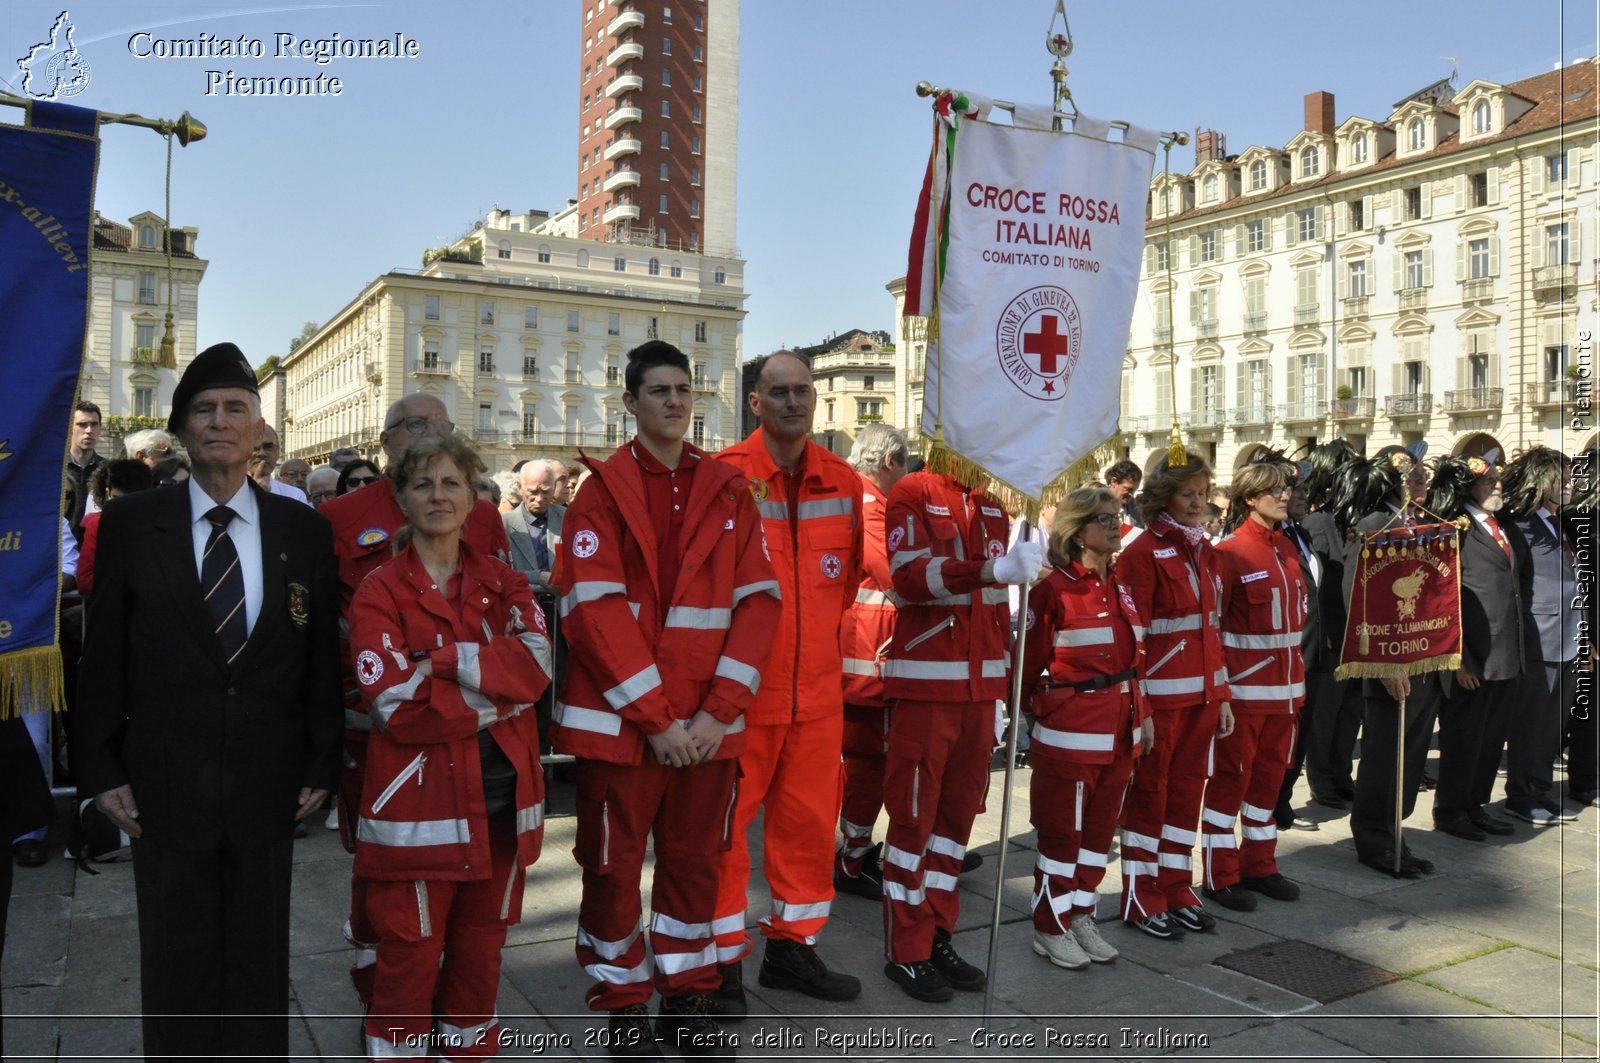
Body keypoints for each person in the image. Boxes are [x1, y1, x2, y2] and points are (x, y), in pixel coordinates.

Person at [75, 342, 341, 1059]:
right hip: (163, 783)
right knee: (175, 963)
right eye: (204, 410)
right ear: (184, 428)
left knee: (260, 963)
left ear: (259, 428)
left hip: (269, 782)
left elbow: (320, 660)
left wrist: (324, 758)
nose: (220, 421)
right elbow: (104, 656)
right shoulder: (135, 526)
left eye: (236, 408)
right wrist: (98, 768)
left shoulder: (304, 531)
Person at [553, 341, 779, 1056]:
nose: (675, 401)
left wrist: (715, 713)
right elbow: (595, 611)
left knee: (696, 865)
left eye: (684, 389)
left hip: (707, 731)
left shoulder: (728, 489)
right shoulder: (600, 492)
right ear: (630, 403)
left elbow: (759, 605)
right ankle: (623, 1005)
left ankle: (686, 998)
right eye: (658, 390)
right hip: (627, 732)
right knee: (613, 870)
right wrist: (658, 720)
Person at [348, 432, 552, 1060]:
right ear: (401, 500)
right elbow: (397, 708)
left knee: (480, 952)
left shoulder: (505, 581)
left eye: (451, 483)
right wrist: (499, 686)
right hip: (417, 813)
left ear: (473, 499)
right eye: (422, 484)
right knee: (408, 957)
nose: (438, 495)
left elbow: (539, 666)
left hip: (501, 806)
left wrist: (439, 661)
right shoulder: (378, 590)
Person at [318, 395, 513, 1011]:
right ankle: (383, 992)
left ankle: (452, 1000)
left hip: (473, 743)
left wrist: (449, 675)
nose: (430, 435)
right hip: (373, 727)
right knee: (384, 873)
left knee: (468, 874)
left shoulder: (482, 518)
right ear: (386, 439)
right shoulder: (341, 515)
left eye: (441, 426)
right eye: (416, 426)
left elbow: (516, 644)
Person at [710, 352, 865, 1013]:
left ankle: (792, 946)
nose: (794, 402)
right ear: (755, 403)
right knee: (722, 832)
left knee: (807, 828)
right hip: (743, 695)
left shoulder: (843, 480)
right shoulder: (724, 478)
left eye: (803, 390)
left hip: (818, 696)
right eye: (779, 392)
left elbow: (849, 578)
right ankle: (717, 963)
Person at [878, 464, 1041, 1001]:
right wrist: (993, 570)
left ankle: (937, 931)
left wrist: (1007, 683)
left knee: (953, 828)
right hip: (928, 691)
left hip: (979, 693)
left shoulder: (992, 504)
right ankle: (906, 949)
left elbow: (995, 612)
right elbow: (908, 577)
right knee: (913, 825)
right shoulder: (912, 492)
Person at [1019, 488, 1152, 970]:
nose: (1117, 525)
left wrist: (1146, 715)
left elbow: (1135, 662)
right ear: (1077, 531)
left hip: (1120, 733)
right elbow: (1028, 667)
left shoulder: (1119, 585)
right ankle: (1049, 926)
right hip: (1071, 738)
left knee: (1098, 837)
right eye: (1104, 518)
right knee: (1062, 838)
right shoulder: (1052, 590)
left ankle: (1080, 916)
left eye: (1118, 516)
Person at [1115, 453, 1230, 940]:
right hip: (1160, 702)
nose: (1197, 503)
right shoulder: (1142, 553)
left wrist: (1222, 694)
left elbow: (1211, 628)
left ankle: (1177, 887)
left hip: (1202, 699)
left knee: (1186, 797)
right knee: (1150, 797)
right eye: (1188, 494)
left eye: (1203, 494)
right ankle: (1142, 896)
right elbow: (1132, 637)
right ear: (1164, 496)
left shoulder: (1205, 550)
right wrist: (1138, 706)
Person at [1200, 460, 1307, 912]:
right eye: (1273, 490)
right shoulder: (1228, 554)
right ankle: (1219, 876)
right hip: (1243, 697)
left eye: (1285, 489)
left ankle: (1259, 865)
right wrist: (1221, 693)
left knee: (1268, 785)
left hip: (1286, 698)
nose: (1285, 496)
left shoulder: (1286, 549)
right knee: (1229, 784)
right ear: (1249, 498)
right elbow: (1213, 629)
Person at [1340, 447, 1440, 877]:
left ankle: (1393, 832)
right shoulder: (1374, 525)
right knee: (1385, 759)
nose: (1419, 484)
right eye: (1410, 478)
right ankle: (1374, 839)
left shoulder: (1424, 522)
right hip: (1390, 665)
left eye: (1422, 477)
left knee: (1411, 757)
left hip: (1425, 661)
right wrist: (1381, 666)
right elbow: (1355, 600)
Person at [1428, 455, 1529, 842]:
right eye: (1489, 482)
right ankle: (1450, 810)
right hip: (1474, 658)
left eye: (1499, 481)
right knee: (1464, 738)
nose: (1497, 487)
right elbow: (1445, 597)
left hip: (1505, 653)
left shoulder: (1498, 526)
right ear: (1469, 487)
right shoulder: (1456, 528)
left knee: (1490, 739)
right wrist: (1459, 659)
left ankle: (1475, 806)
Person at [834, 422, 910, 902]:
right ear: (889, 462)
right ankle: (853, 857)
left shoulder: (856, 497)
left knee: (867, 764)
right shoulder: (871, 507)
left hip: (864, 654)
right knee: (868, 764)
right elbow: (898, 576)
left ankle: (860, 850)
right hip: (870, 659)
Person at [1502, 448, 1581, 824]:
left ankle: (1540, 789)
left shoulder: (1557, 522)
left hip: (1568, 637)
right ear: (1541, 480)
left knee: (1552, 725)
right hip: (1538, 639)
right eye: (1562, 478)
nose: (1569, 484)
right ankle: (1520, 795)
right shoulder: (1522, 525)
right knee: (1531, 724)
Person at [1295, 442, 1361, 812]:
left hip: (1351, 631)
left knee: (1347, 712)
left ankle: (1340, 773)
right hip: (1331, 633)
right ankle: (1324, 779)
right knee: (1327, 714)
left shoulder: (1339, 517)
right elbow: (1323, 584)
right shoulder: (1319, 521)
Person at [1272, 462, 1337, 833]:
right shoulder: (1270, 540)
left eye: (1301, 491)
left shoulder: (1303, 534)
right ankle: (1271, 803)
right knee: (1282, 735)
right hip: (1282, 653)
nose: (1299, 497)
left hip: (1312, 650)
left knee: (1303, 731)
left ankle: (1283, 800)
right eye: (1291, 490)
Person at [77, 459, 156, 597]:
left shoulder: (160, 524)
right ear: (107, 493)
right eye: (117, 499)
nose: (123, 507)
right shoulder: (97, 525)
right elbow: (85, 580)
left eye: (132, 500)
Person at [506, 459, 564, 597]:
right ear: (519, 487)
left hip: (560, 611)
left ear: (555, 486)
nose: (539, 498)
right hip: (520, 608)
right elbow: (498, 571)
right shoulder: (504, 525)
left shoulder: (569, 519)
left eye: (546, 491)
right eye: (533, 491)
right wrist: (537, 577)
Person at [65, 400, 105, 532]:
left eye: (94, 424)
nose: (89, 430)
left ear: (100, 428)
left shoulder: (108, 469)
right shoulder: (56, 469)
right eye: (82, 425)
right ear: (70, 427)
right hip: (60, 545)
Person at [248, 424, 309, 505]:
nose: (262, 453)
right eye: (255, 447)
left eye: (268, 447)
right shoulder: (228, 493)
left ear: (278, 453)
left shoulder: (295, 496)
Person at [1105, 459, 1143, 531]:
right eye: (1128, 489)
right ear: (1114, 482)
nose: (1131, 494)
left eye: (1134, 490)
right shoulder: (1095, 507)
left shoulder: (1136, 510)